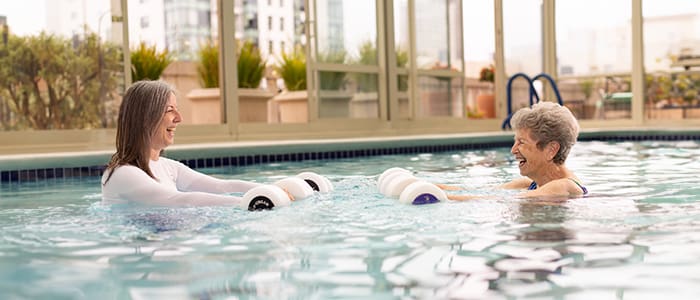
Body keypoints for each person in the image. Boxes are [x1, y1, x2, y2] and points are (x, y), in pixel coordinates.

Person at [101, 80, 262, 206]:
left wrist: (269, 190)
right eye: (170, 110)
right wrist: (248, 204)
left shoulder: (169, 167)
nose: (179, 118)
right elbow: (180, 201)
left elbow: (222, 187)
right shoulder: (122, 173)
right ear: (144, 118)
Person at [445, 101, 587, 200]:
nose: (513, 150)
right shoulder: (531, 184)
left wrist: (435, 198)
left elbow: (490, 200)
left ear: (551, 150)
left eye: (521, 142)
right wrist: (430, 186)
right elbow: (477, 192)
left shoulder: (564, 186)